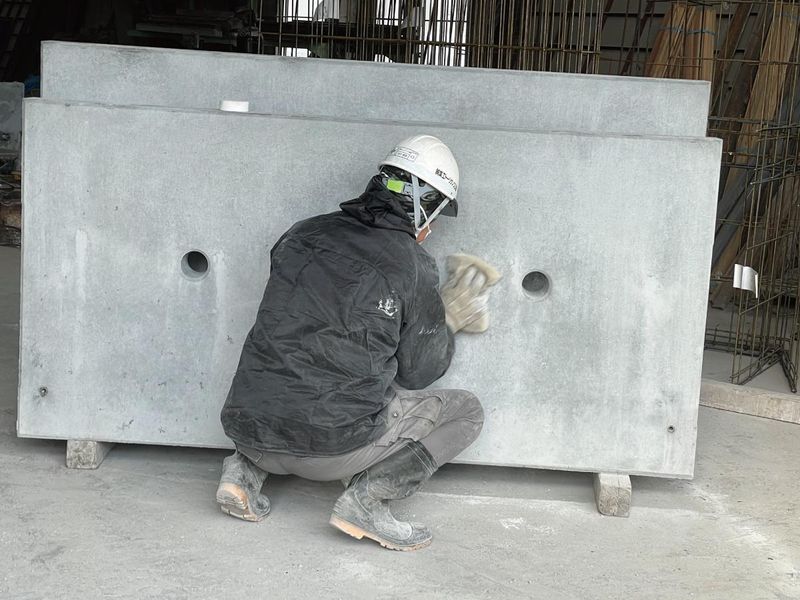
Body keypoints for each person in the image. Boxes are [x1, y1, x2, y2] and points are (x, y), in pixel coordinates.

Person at [217, 134, 499, 551]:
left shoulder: (301, 233)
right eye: (437, 213)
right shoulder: (411, 264)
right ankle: (367, 502)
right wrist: (447, 320)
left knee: (288, 374)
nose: (434, 227)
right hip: (329, 453)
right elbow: (418, 373)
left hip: (249, 430)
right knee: (467, 411)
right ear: (426, 205)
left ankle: (241, 473)